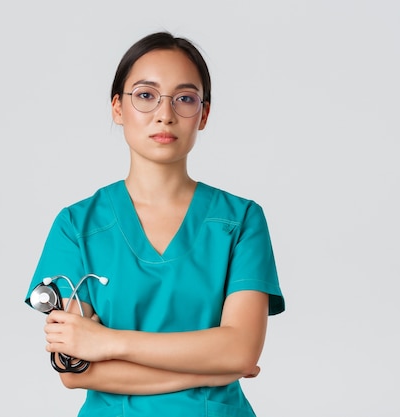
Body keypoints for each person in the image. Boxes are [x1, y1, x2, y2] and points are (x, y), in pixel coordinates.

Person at [24, 31, 285, 417]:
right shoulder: (76, 226)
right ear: (117, 107)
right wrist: (213, 370)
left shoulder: (240, 221)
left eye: (185, 98)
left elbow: (241, 350)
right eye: (146, 95)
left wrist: (108, 342)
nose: (165, 114)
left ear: (204, 113)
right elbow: (76, 371)